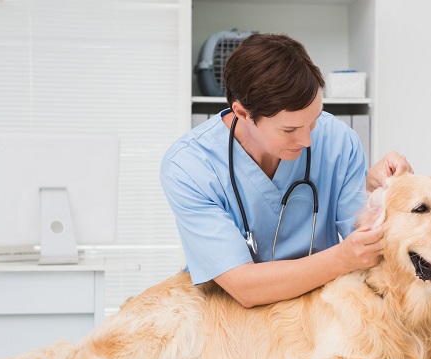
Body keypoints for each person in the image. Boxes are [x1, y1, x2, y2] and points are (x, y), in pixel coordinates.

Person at [161, 33, 413, 308]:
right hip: (231, 320)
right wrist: (342, 258)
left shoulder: (339, 141)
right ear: (242, 113)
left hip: (319, 309)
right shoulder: (189, 166)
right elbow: (244, 287)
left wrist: (381, 194)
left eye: (314, 121)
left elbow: (367, 239)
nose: (307, 141)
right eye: (289, 130)